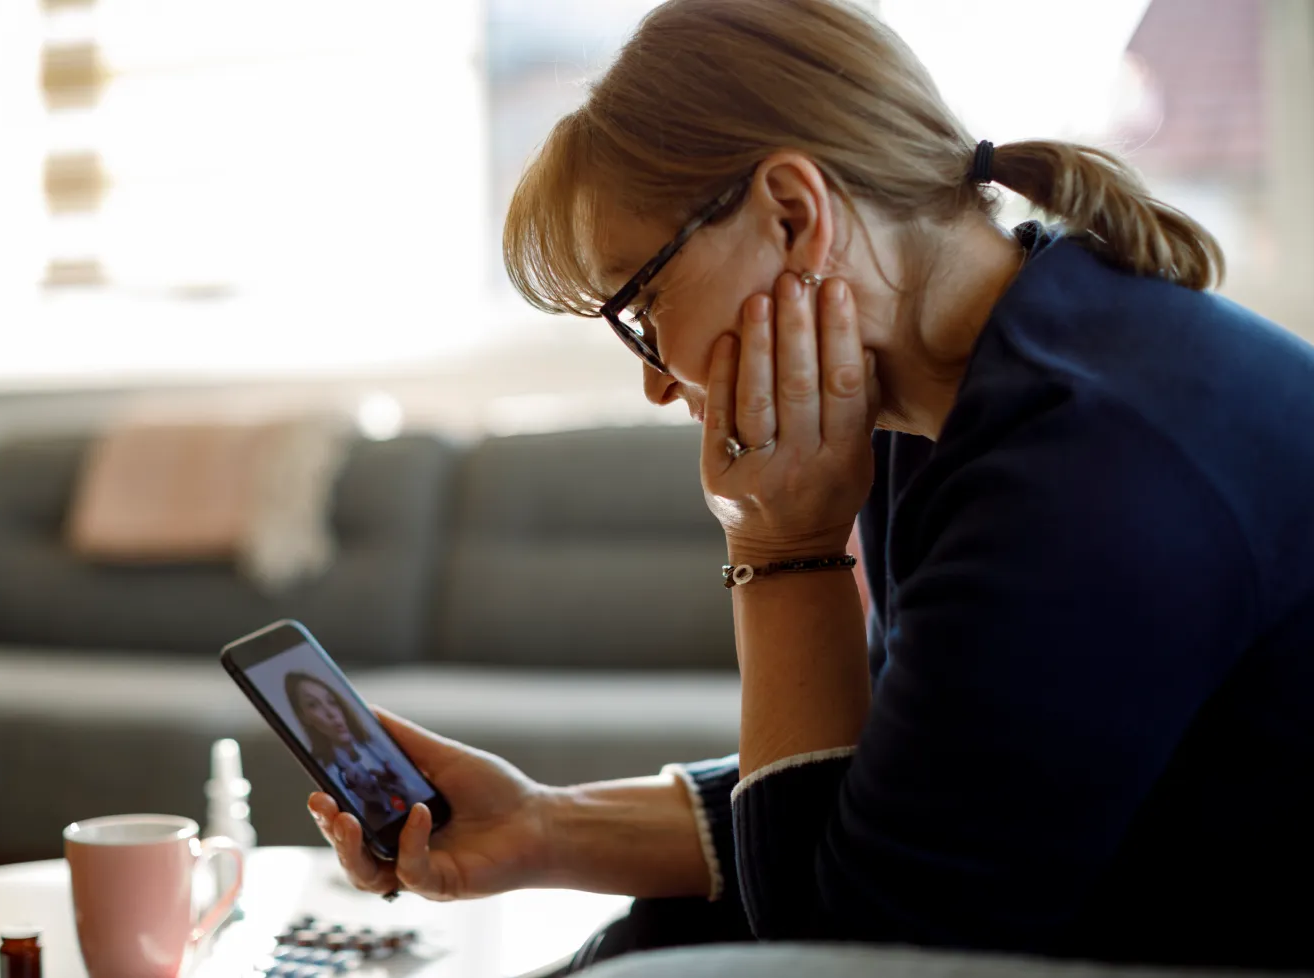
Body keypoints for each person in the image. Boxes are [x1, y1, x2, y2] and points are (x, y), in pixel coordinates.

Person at [309, 0, 1314, 971]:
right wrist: (541, 825)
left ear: (793, 215)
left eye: (641, 308)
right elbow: (900, 796)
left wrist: (778, 549)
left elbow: (838, 952)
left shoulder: (1083, 465)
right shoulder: (951, 401)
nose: (657, 383)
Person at [283, 671, 415, 827]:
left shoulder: (378, 745)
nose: (331, 713)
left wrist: (406, 794)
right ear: (304, 717)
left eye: (331, 701)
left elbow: (419, 798)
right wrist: (373, 807)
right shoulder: (328, 773)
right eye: (313, 705)